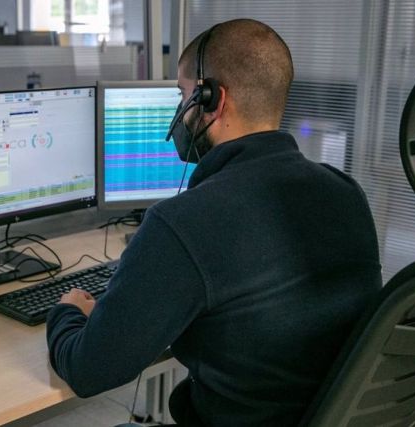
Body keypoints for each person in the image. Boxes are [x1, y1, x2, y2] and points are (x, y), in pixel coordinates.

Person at [47, 18, 382, 426]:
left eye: (182, 95)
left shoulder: (182, 222)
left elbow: (88, 371)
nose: (179, 111)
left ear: (212, 100)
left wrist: (67, 311)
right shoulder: (344, 192)